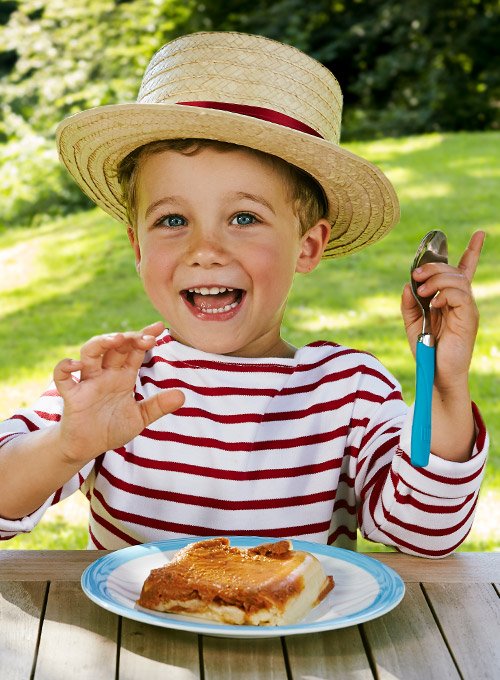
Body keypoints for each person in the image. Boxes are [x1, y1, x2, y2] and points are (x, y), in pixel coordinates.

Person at [0, 32, 487, 557]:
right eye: (172, 219)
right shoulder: (120, 382)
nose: (204, 249)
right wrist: (69, 443)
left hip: (299, 638)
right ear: (138, 246)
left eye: (243, 218)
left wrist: (443, 388)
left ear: (307, 246)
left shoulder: (349, 392)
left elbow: (424, 536)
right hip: (135, 639)